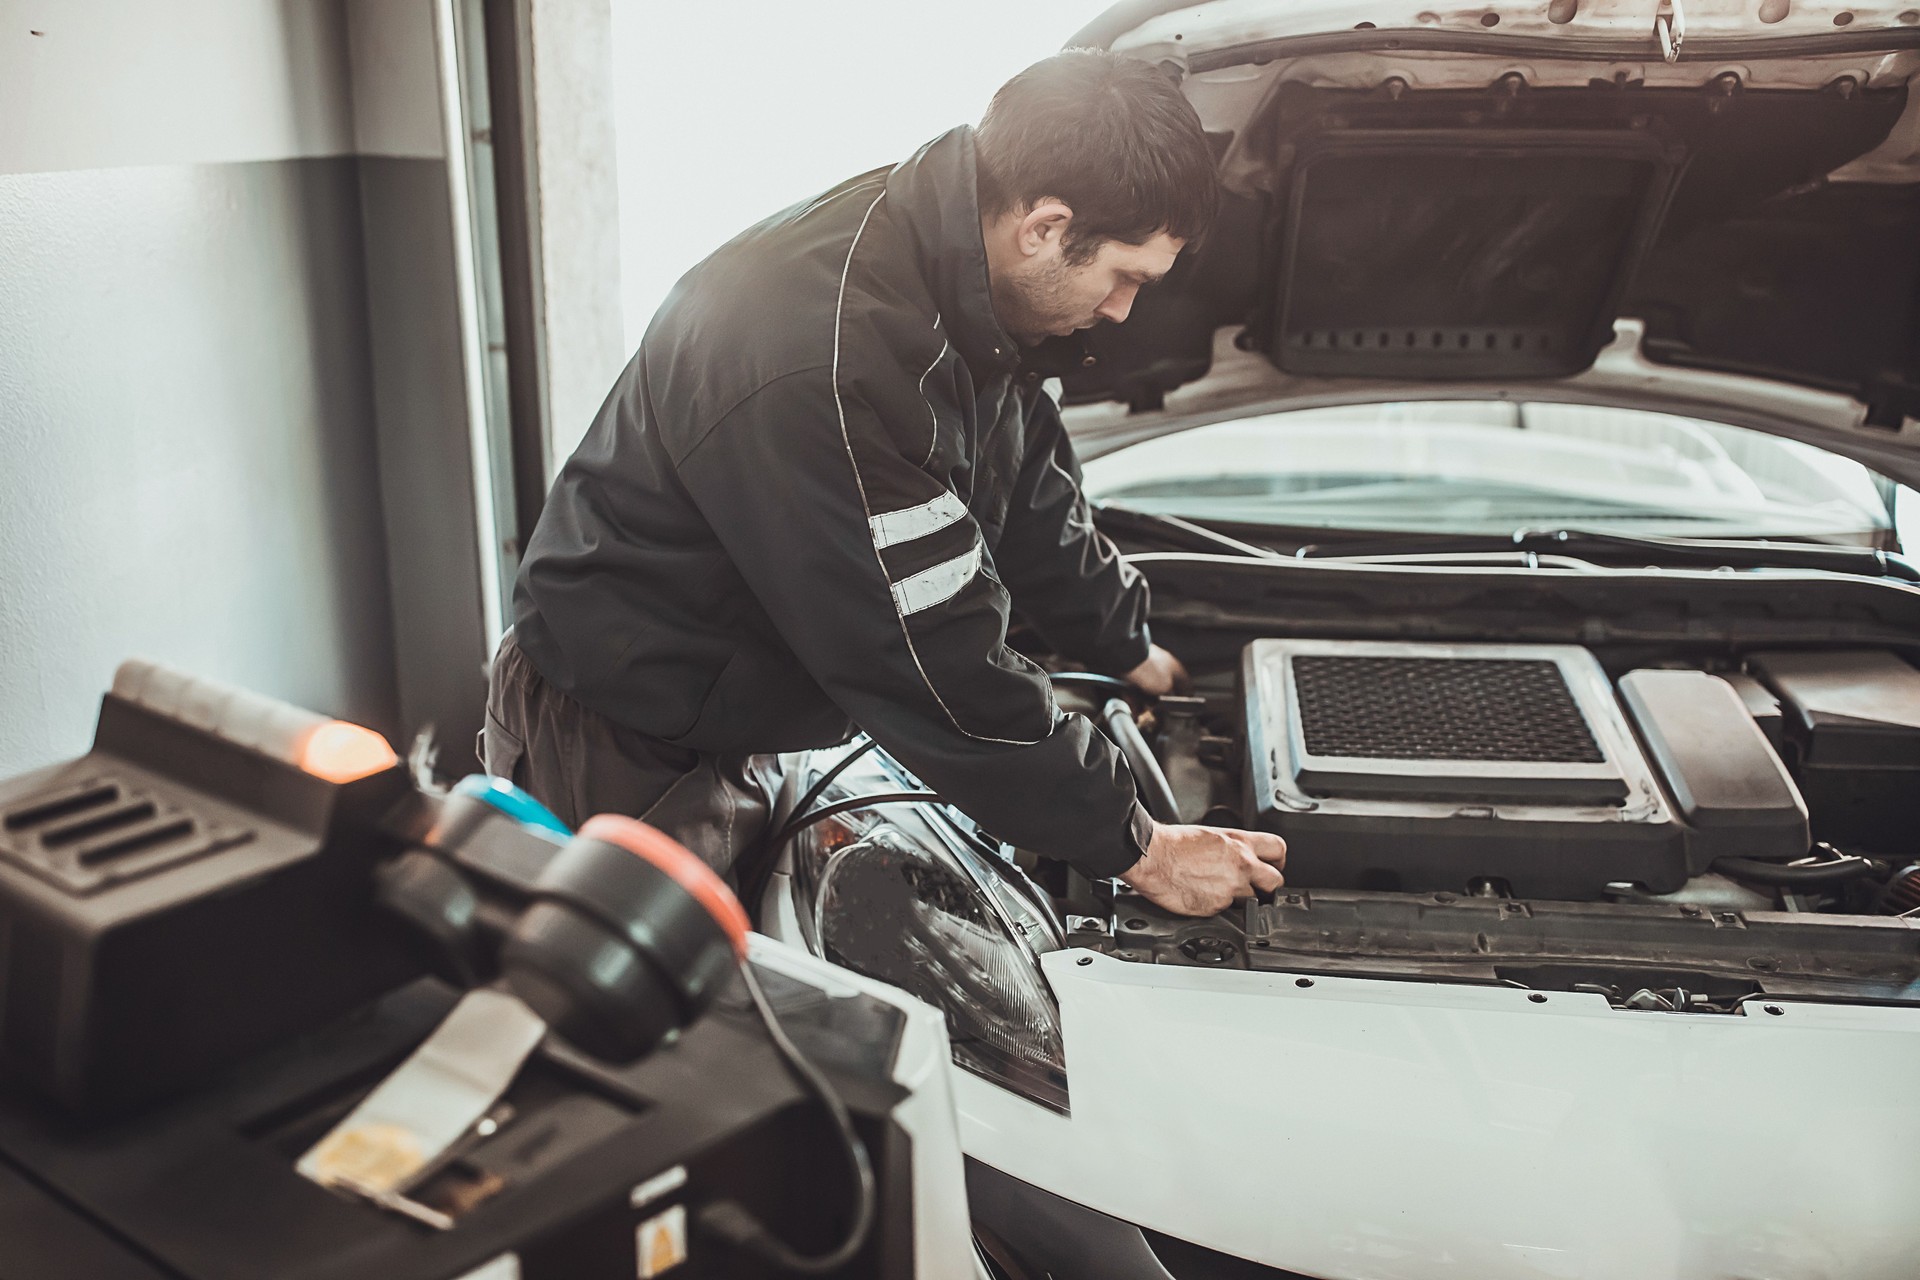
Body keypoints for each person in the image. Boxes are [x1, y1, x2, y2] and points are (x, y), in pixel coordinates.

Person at [485, 49, 1286, 917]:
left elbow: (1026, 477)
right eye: (1126, 277)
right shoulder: (824, 353)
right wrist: (1135, 846)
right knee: (640, 1026)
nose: (1125, 311)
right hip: (620, 729)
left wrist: (1122, 640)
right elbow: (929, 647)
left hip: (740, 700)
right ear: (1046, 227)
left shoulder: (963, 280)